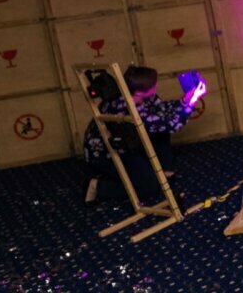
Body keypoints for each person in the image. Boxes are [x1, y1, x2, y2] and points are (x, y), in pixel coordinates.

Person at [83, 65, 206, 206]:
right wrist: (191, 103)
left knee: (159, 133)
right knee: (147, 188)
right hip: (108, 153)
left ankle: (163, 172)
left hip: (128, 141)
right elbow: (170, 125)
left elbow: (163, 109)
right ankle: (97, 187)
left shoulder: (138, 95)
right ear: (141, 92)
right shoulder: (127, 108)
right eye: (154, 84)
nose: (157, 85)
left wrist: (184, 100)